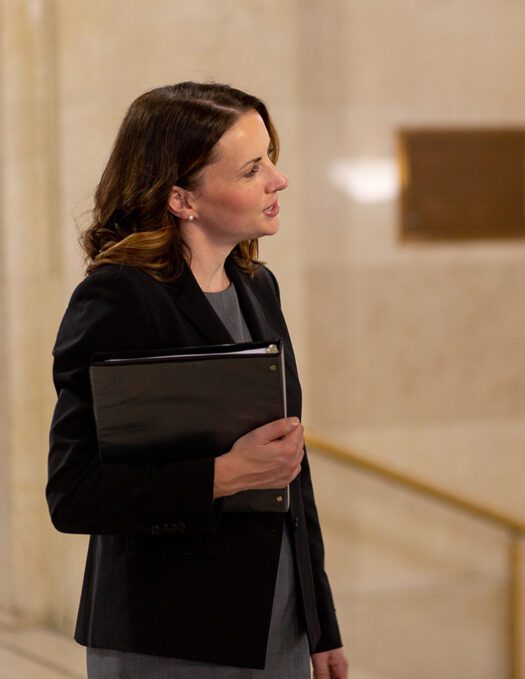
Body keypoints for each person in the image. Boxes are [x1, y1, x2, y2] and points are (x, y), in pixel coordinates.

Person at [46, 82, 348, 678]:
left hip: (276, 626)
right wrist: (223, 475)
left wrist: (320, 627)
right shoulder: (119, 298)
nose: (278, 180)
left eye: (272, 159)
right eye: (252, 169)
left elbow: (291, 469)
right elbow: (74, 492)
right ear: (181, 198)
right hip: (166, 637)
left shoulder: (258, 287)